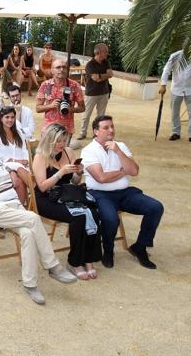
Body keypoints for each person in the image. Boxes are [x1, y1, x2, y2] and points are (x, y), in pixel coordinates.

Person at [0, 128, 77, 305]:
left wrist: (17, 171)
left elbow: (13, 165)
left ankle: (30, 285)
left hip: (13, 207)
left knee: (28, 234)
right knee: (33, 218)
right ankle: (53, 266)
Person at [81, 115, 164, 270]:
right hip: (100, 194)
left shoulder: (121, 146)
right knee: (111, 219)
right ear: (95, 131)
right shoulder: (88, 151)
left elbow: (134, 170)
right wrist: (121, 172)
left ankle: (140, 247)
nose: (111, 130)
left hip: (125, 193)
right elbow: (101, 178)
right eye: (106, 127)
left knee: (156, 207)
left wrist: (118, 152)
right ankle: (108, 250)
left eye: (112, 126)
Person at [32, 123, 102, 279]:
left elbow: (75, 182)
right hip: (46, 199)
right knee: (78, 218)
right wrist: (60, 173)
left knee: (93, 213)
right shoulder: (40, 156)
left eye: (64, 140)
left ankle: (88, 259)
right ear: (49, 140)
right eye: (58, 141)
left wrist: (79, 172)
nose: (61, 145)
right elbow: (42, 187)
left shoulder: (69, 152)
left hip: (66, 195)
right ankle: (75, 262)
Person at [160, 49, 191, 145]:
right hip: (176, 89)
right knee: (175, 111)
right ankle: (176, 132)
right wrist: (163, 85)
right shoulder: (175, 56)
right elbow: (166, 69)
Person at [36, 59, 85, 139]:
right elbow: (38, 108)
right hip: (49, 128)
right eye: (58, 67)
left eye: (64, 67)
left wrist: (71, 109)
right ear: (52, 70)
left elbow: (82, 108)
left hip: (66, 129)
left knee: (63, 151)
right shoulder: (45, 85)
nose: (62, 70)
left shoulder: (74, 86)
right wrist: (51, 106)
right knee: (47, 151)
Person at [0, 106, 30, 204]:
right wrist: (15, 161)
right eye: (7, 117)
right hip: (4, 167)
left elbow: (25, 150)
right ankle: (36, 190)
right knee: (18, 169)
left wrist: (26, 160)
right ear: (1, 118)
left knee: (20, 181)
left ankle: (21, 208)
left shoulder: (18, 133)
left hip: (23, 166)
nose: (10, 120)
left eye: (12, 117)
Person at [78, 43, 113, 141]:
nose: (107, 53)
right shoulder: (90, 64)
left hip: (104, 92)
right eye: (105, 51)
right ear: (99, 52)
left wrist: (100, 76)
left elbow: (111, 74)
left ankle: (98, 134)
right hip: (91, 93)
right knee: (86, 115)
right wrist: (104, 75)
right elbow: (95, 78)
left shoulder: (106, 62)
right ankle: (82, 133)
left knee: (101, 116)